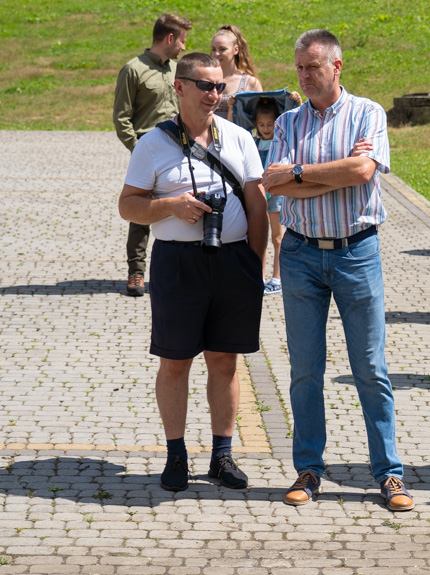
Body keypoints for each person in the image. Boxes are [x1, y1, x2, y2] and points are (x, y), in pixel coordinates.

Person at [262, 29, 414, 512]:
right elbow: (276, 186)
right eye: (300, 67)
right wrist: (330, 173)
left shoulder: (368, 112)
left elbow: (363, 172)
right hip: (301, 254)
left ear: (337, 66)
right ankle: (309, 469)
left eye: (313, 67)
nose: (305, 76)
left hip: (356, 251)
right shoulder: (287, 121)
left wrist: (303, 174)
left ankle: (388, 474)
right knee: (305, 371)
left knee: (371, 369)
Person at [117, 52, 268, 492]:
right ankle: (177, 455)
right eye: (206, 86)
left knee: (224, 361)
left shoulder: (238, 138)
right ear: (180, 87)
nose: (215, 95)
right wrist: (171, 205)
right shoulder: (153, 144)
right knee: (176, 361)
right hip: (177, 263)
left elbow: (257, 206)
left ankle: (223, 456)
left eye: (220, 86)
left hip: (233, 261)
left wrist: (253, 265)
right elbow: (128, 205)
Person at [113, 13, 193, 297]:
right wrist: (139, 150)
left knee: (180, 202)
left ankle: (181, 267)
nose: (184, 47)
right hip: (147, 147)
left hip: (179, 147)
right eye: (182, 40)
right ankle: (136, 272)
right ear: (169, 38)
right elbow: (121, 117)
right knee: (141, 211)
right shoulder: (133, 70)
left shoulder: (178, 70)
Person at [251, 98, 284, 296]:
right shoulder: (253, 141)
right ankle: (260, 277)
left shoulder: (280, 141)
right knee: (260, 236)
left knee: (278, 237)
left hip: (276, 194)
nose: (265, 128)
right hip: (259, 194)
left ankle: (277, 278)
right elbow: (234, 124)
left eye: (270, 124)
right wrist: (230, 109)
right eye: (261, 125)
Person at [210, 25, 263, 121]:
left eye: (222, 49)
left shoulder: (250, 82)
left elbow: (262, 117)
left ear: (236, 50)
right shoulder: (205, 79)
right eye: (214, 49)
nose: (216, 54)